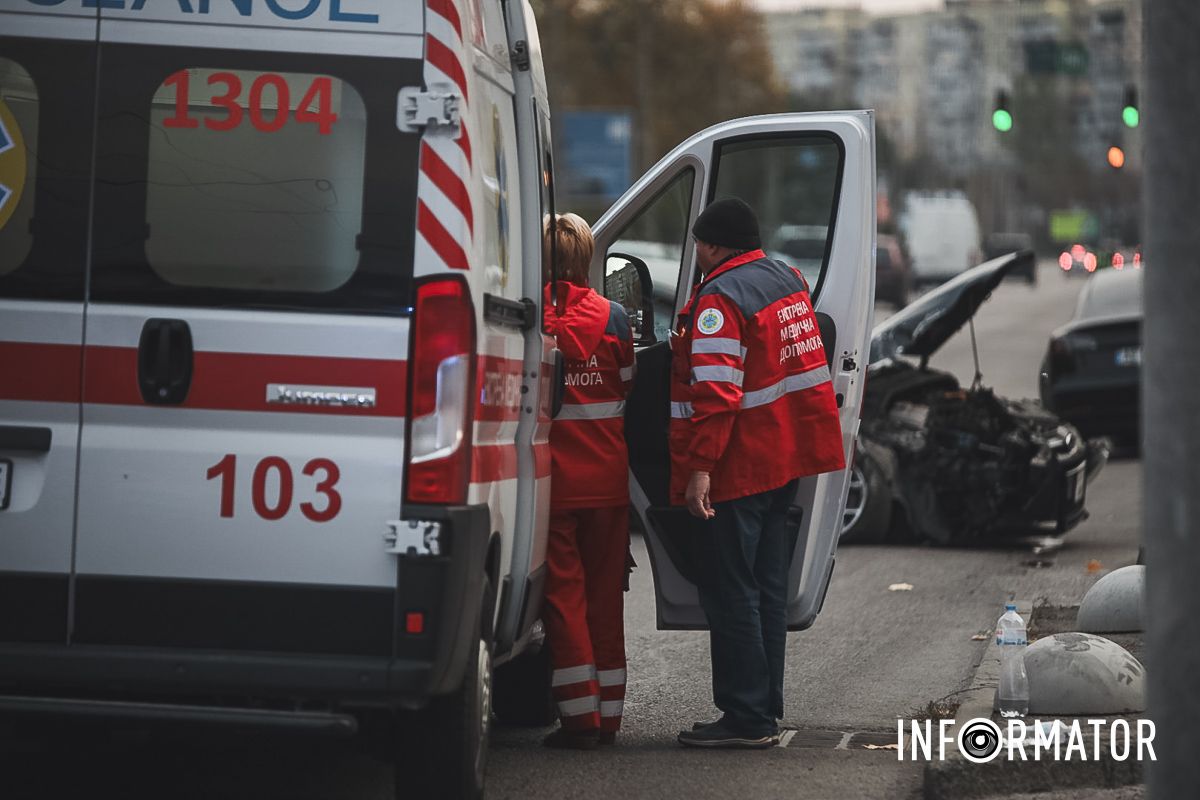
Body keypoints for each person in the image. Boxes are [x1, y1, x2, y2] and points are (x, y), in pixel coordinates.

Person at [669, 198, 845, 749]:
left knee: (732, 590)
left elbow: (718, 393)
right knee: (768, 588)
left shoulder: (719, 298)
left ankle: (745, 716)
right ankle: (765, 709)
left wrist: (700, 470)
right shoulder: (786, 277)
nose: (696, 253)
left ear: (715, 246)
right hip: (786, 460)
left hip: (740, 466)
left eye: (698, 243)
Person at [540, 213, 636, 749]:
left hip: (555, 482)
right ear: (586, 258)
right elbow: (626, 385)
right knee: (605, 598)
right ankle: (611, 718)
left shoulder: (537, 320)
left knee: (563, 599)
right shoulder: (616, 317)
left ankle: (579, 721)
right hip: (608, 478)